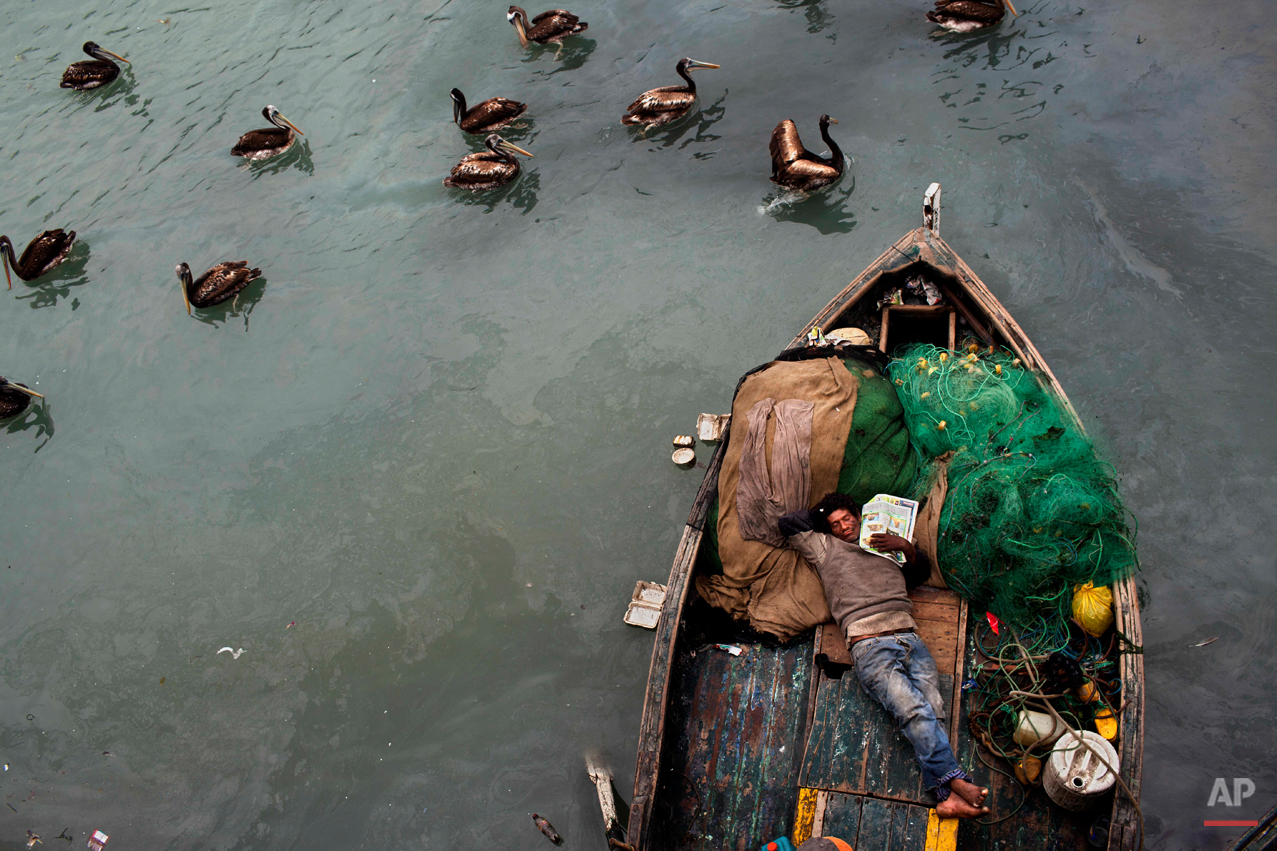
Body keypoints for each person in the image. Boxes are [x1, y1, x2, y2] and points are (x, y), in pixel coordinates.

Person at [778, 492, 990, 818]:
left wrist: (904, 547)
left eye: (847, 518)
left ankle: (944, 797)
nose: (844, 526)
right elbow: (788, 524)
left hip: (910, 638)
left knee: (934, 707)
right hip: (871, 645)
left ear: (859, 515)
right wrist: (822, 513)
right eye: (835, 524)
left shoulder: (885, 542)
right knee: (914, 709)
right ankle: (955, 781)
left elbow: (920, 574)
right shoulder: (825, 548)